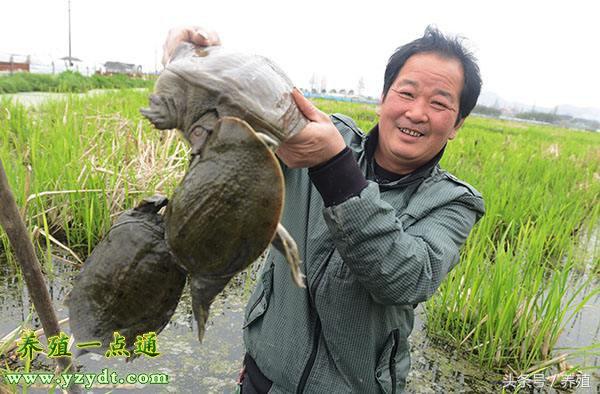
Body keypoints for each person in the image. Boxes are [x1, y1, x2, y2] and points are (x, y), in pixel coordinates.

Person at [163, 25, 485, 393]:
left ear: (457, 124)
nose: (416, 112)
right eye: (406, 93)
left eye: (440, 103)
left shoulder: (453, 201)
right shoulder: (326, 135)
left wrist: (335, 167)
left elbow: (404, 277)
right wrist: (203, 64)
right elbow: (239, 124)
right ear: (383, 98)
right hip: (264, 377)